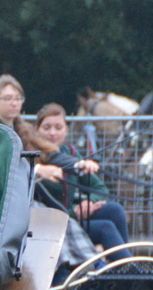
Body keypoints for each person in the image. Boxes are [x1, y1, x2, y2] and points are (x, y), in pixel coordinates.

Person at [34, 103, 131, 250]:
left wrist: (88, 204)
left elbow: (100, 188)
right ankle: (126, 269)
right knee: (105, 227)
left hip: (72, 218)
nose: (53, 133)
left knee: (115, 210)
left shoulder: (71, 153)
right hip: (48, 225)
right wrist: (74, 212)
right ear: (37, 130)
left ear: (66, 131)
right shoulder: (33, 157)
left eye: (58, 127)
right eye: (47, 128)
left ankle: (123, 266)